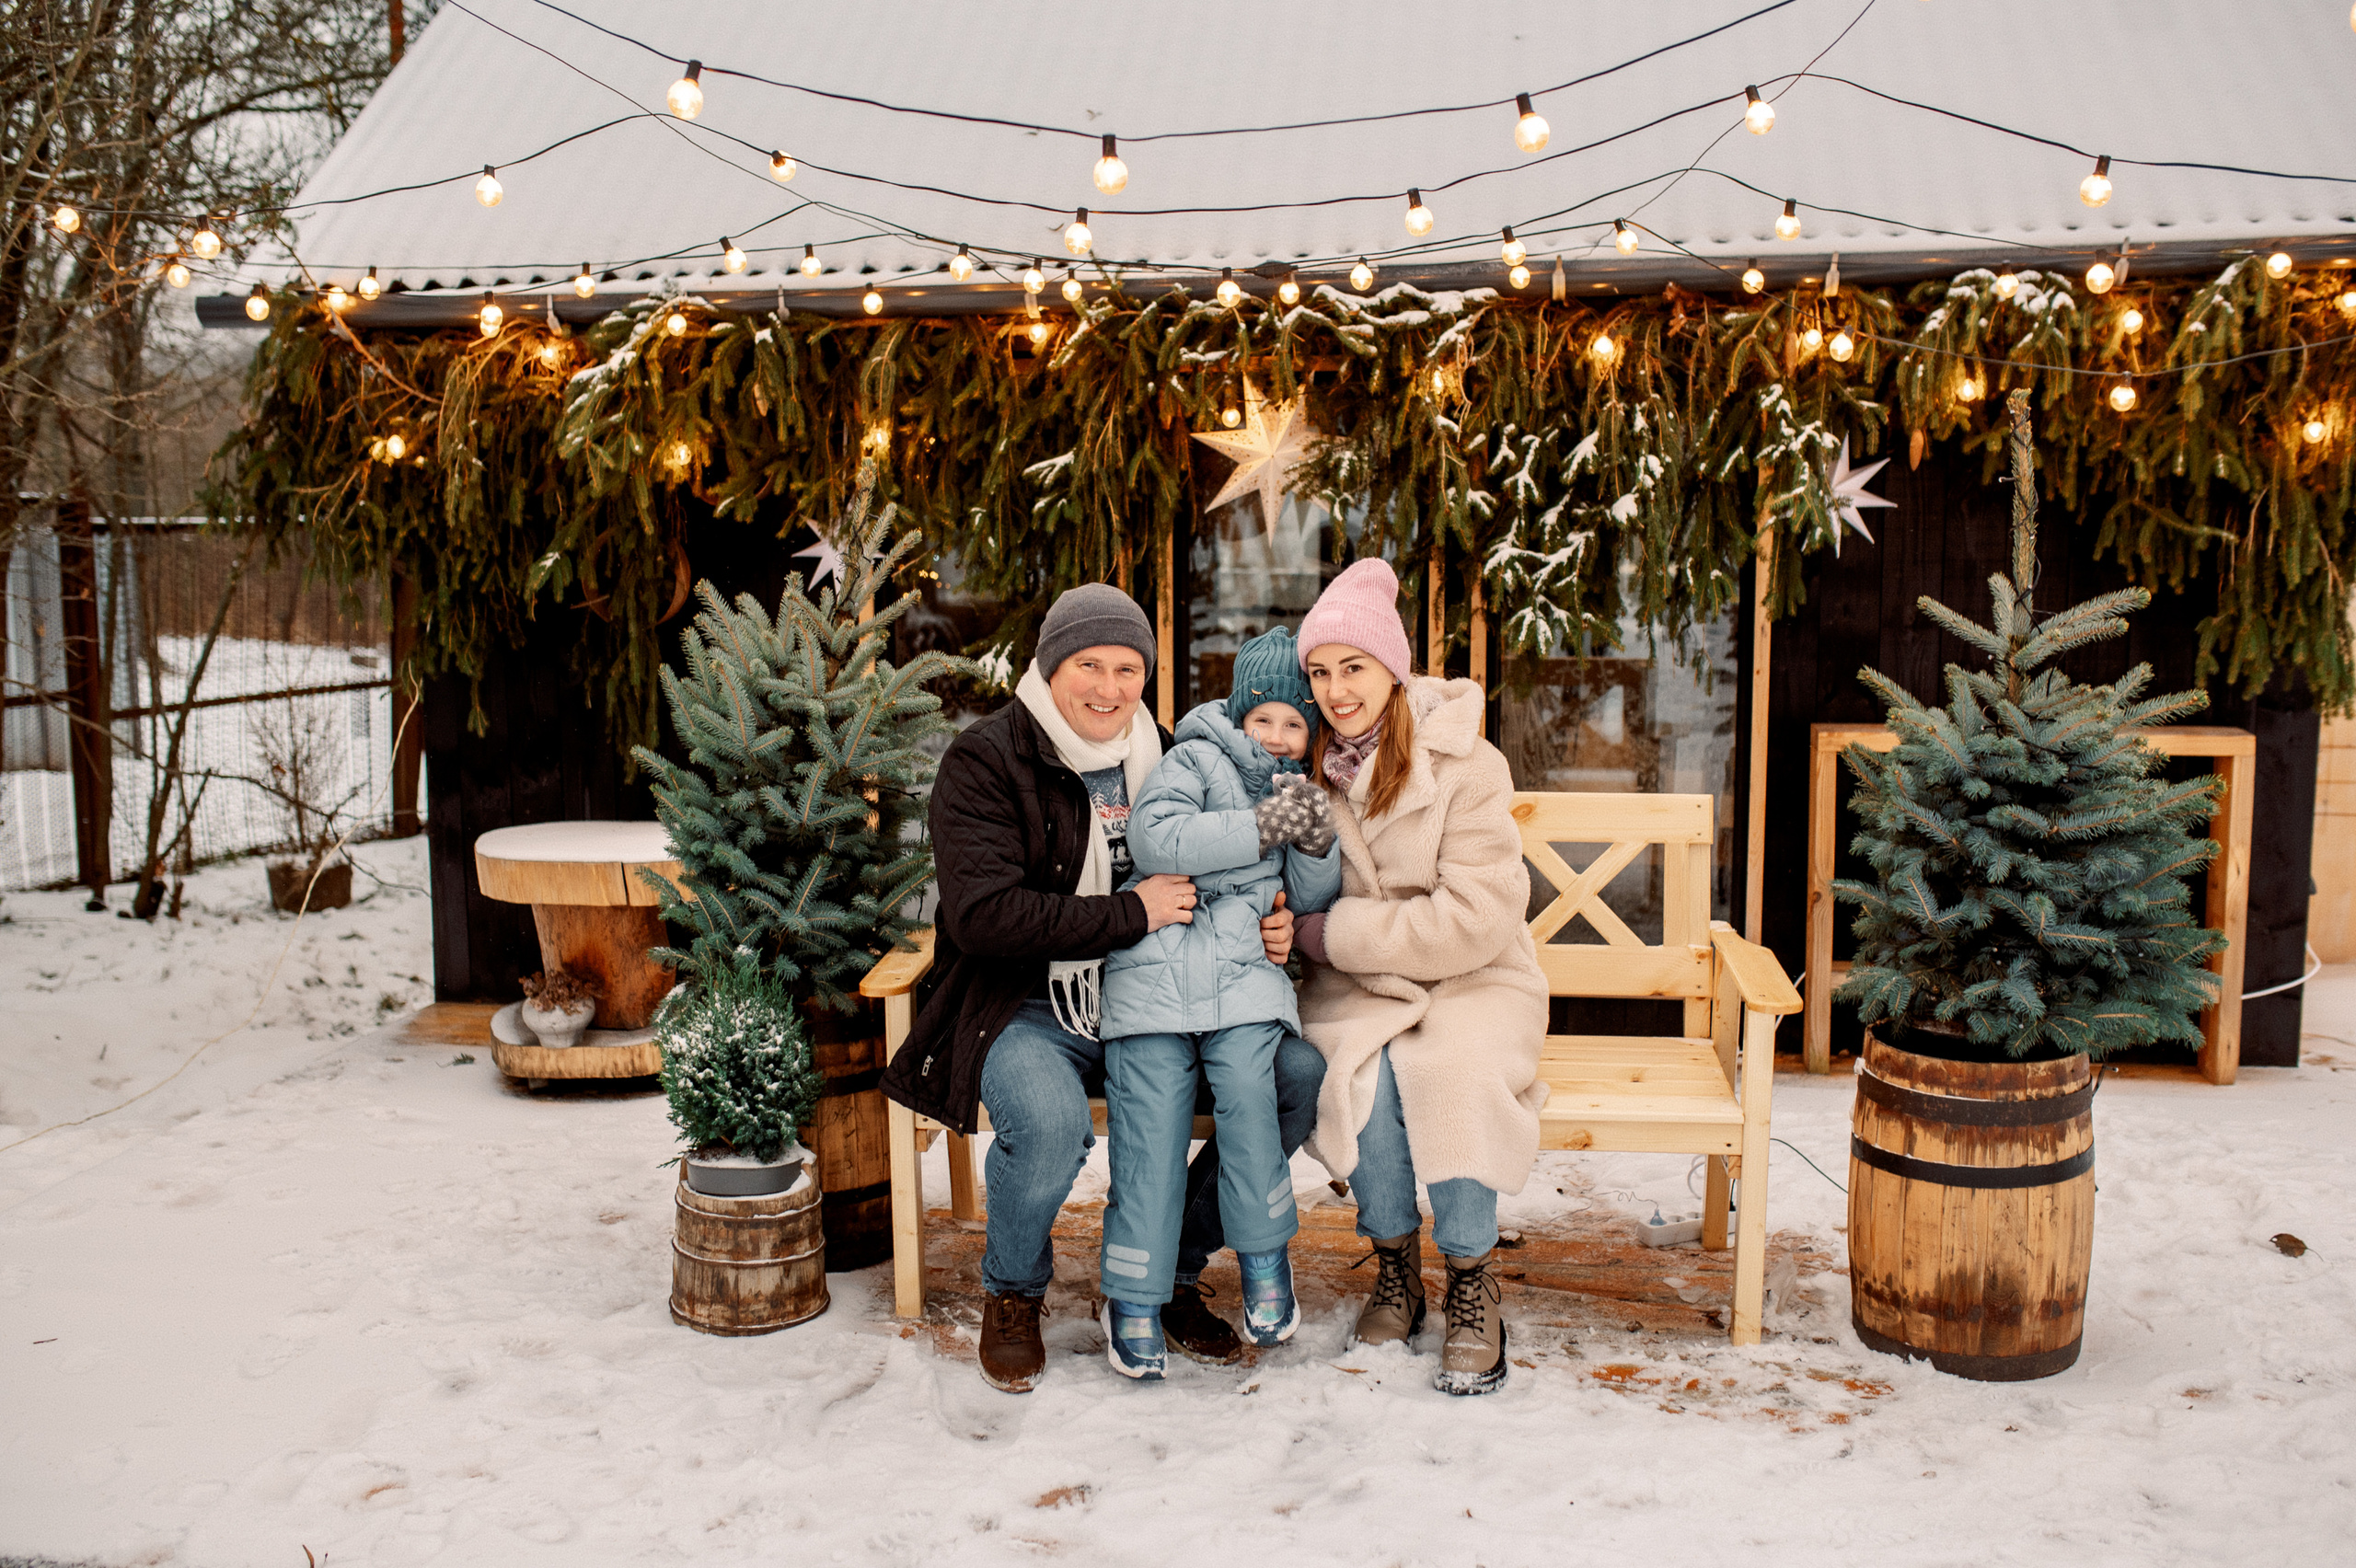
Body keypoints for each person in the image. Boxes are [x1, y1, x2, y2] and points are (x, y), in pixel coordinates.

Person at [879, 583, 1325, 1394]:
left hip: (1156, 998)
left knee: (1293, 1079)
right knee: (1050, 1124)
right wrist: (1129, 913)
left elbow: (1232, 864)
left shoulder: (1166, 753)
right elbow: (983, 917)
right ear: (1051, 666)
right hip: (1028, 1004)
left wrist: (1274, 921)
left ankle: (1172, 1276)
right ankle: (1012, 1292)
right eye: (1090, 665)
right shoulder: (987, 760)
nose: (1110, 688)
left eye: (1129, 669)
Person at [1288, 558, 1549, 1397]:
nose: (1335, 690)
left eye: (1352, 668)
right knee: (1357, 1072)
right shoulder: (1305, 771)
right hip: (1359, 986)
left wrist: (1339, 933)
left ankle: (1472, 1275)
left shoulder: (1466, 767)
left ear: (1392, 671)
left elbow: (1476, 918)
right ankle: (1396, 1262)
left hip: (1473, 975)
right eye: (1320, 673)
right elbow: (1271, 874)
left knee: (1450, 1068)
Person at [1093, 627, 1343, 1379]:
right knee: (1153, 1127)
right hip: (1152, 982)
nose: (1275, 737)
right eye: (1262, 719)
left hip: (1241, 982)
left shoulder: (1295, 788)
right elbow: (1160, 840)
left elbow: (1304, 903)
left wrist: (1315, 846)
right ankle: (1133, 1294)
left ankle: (1266, 1259)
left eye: (1294, 724)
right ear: (1237, 713)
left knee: (1249, 1098)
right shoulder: (1193, 758)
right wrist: (1265, 827)